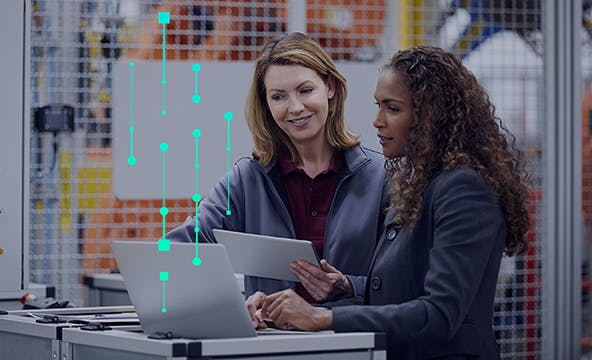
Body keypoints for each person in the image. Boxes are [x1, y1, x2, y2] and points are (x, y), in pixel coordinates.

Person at [247, 45, 530, 359]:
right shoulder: (419, 184)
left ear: (429, 115)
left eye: (392, 109)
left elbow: (439, 314)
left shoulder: (464, 188)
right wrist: (348, 287)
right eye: (378, 106)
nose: (377, 121)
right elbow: (408, 288)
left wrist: (324, 318)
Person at [167, 32, 386, 301]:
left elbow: (408, 281)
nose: (295, 107)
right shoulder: (246, 181)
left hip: (355, 338)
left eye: (306, 90)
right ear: (266, 104)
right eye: (278, 97)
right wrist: (234, 305)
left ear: (329, 87)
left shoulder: (382, 177)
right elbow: (183, 252)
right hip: (274, 341)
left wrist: (350, 286)